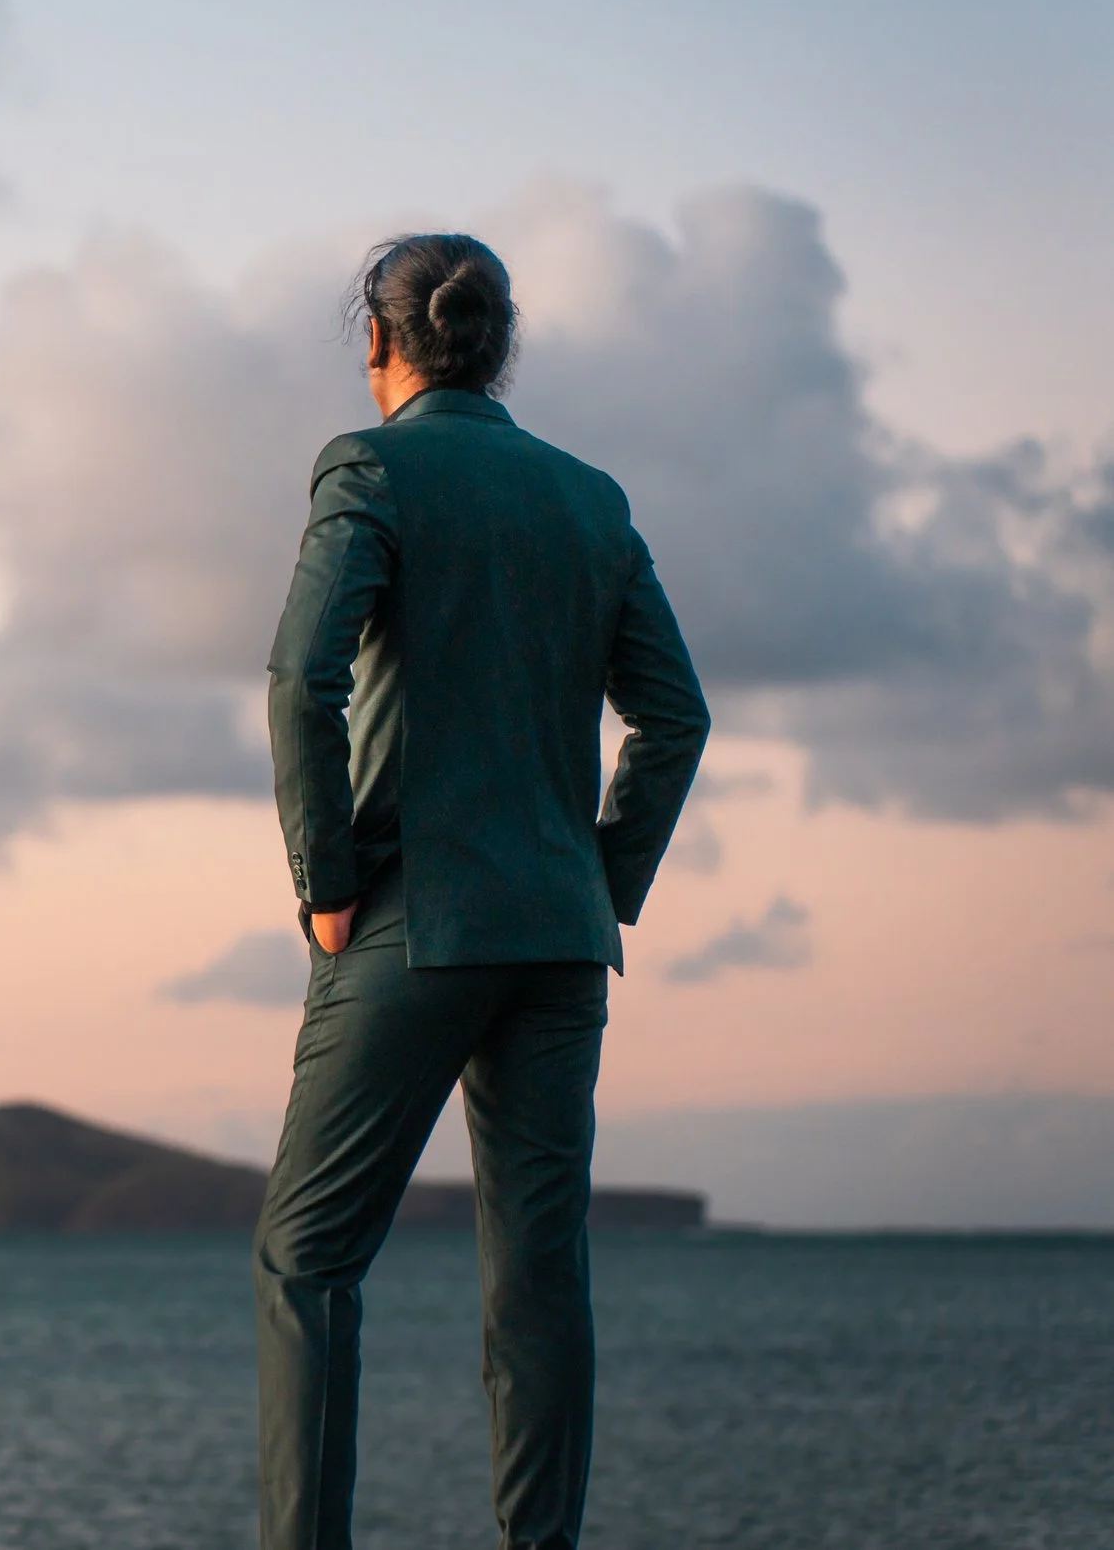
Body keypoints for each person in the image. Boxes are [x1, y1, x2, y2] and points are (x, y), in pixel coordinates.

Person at [255, 233, 709, 1550]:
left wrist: (325, 879)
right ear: (495, 346)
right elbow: (674, 718)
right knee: (539, 1279)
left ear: (379, 343)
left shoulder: (371, 466)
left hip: (415, 923)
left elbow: (300, 681)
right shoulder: (589, 495)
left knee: (308, 1259)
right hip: (558, 938)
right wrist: (601, 880)